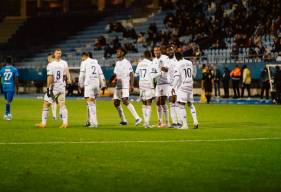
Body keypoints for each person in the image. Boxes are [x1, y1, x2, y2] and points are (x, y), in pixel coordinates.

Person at [36, 48, 71, 128]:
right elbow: (66, 74)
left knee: (46, 104)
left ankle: (43, 124)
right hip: (62, 87)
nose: (59, 54)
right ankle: (65, 123)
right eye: (58, 53)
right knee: (62, 104)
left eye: (59, 53)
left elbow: (50, 77)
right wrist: (68, 80)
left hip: (54, 88)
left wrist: (48, 88)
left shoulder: (51, 64)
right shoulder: (64, 63)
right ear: (55, 54)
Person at [110, 47, 142, 126]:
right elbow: (115, 74)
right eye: (117, 52)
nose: (117, 53)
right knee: (116, 103)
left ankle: (137, 118)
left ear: (123, 53)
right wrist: (112, 80)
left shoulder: (127, 62)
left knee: (124, 100)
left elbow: (131, 74)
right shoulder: (117, 63)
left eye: (119, 52)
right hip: (118, 85)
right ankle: (124, 120)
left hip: (125, 85)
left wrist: (131, 85)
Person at [171, 52, 198, 129]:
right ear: (182, 56)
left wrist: (173, 87)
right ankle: (195, 121)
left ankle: (185, 125)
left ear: (176, 57)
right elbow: (192, 73)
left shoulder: (178, 64)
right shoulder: (189, 62)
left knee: (181, 105)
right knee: (190, 104)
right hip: (190, 85)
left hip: (183, 86)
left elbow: (176, 77)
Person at [79, 52, 106, 128]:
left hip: (89, 84)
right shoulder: (96, 62)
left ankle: (94, 123)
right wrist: (103, 85)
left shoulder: (84, 62)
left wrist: (80, 85)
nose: (82, 59)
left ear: (84, 56)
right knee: (91, 103)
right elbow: (101, 74)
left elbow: (82, 75)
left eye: (82, 57)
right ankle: (90, 121)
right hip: (96, 84)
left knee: (90, 103)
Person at [135, 50, 156, 128]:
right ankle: (147, 123)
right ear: (150, 55)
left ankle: (145, 122)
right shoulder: (151, 63)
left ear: (144, 55)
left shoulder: (140, 63)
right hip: (148, 83)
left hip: (141, 84)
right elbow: (154, 75)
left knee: (143, 103)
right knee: (148, 103)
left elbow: (136, 74)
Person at [153, 45, 171, 128]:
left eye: (157, 50)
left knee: (162, 102)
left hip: (165, 82)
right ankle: (160, 122)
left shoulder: (165, 58)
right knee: (157, 102)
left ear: (160, 51)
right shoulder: (153, 60)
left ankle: (167, 122)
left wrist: (161, 67)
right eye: (155, 51)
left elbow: (167, 69)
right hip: (158, 83)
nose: (156, 52)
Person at [166, 45, 180, 128]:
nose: (170, 52)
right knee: (171, 103)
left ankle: (180, 122)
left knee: (177, 103)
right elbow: (165, 70)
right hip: (169, 85)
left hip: (177, 84)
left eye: (171, 50)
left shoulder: (177, 60)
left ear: (174, 50)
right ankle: (174, 122)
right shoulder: (166, 60)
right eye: (168, 50)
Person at [47, 53, 58, 120]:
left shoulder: (50, 65)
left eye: (48, 58)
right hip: (60, 85)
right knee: (57, 101)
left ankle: (51, 116)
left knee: (48, 101)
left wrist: (48, 87)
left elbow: (49, 77)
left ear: (51, 57)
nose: (48, 60)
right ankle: (59, 115)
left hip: (53, 85)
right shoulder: (60, 63)